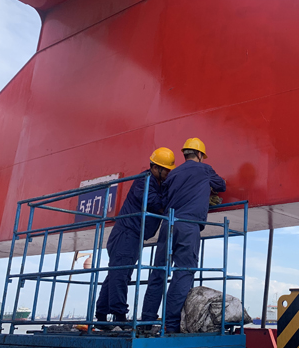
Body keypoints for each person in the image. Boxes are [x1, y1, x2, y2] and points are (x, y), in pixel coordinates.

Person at [141, 138, 226, 333]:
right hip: (188, 226)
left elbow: (164, 199)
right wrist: (207, 190)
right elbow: (221, 185)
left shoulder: (173, 174)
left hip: (167, 225)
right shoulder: (205, 169)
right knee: (184, 272)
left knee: (159, 272)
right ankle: (171, 324)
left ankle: (146, 322)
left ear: (184, 154)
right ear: (200, 155)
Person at [95, 147, 176, 327]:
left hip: (132, 235)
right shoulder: (144, 181)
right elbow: (155, 203)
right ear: (155, 167)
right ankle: (119, 316)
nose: (168, 173)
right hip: (126, 234)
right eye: (166, 170)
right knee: (120, 274)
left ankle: (101, 315)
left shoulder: (157, 183)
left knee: (116, 273)